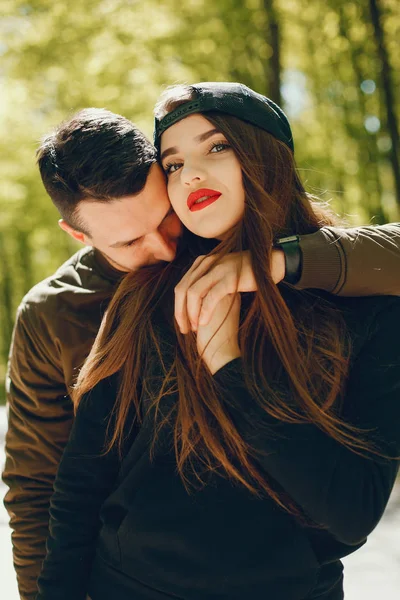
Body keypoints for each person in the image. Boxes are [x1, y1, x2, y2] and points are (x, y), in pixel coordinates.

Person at [2, 110, 400, 600]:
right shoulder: (54, 314)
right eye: (130, 242)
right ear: (79, 236)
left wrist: (277, 263)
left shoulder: (221, 242)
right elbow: (40, 484)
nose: (166, 250)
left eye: (164, 219)